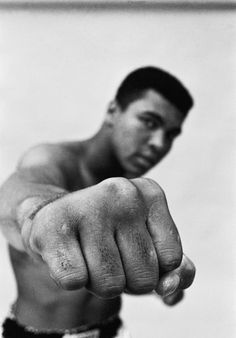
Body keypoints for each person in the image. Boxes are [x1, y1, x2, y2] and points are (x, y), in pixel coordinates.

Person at [0, 66, 196, 338]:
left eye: (171, 134)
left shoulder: (123, 194)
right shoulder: (51, 159)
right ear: (113, 111)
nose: (159, 143)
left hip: (111, 330)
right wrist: (40, 214)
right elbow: (20, 190)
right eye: (149, 122)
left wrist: (154, 278)